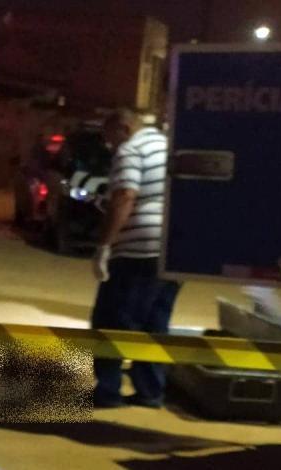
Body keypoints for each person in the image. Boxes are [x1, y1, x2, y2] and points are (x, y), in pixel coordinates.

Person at [90, 108, 181, 408]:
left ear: (124, 128)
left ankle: (107, 391)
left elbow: (125, 196)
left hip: (138, 251)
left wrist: (104, 246)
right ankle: (151, 391)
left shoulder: (131, 149)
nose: (110, 146)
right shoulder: (169, 145)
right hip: (174, 250)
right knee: (155, 325)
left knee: (111, 320)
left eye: (110, 138)